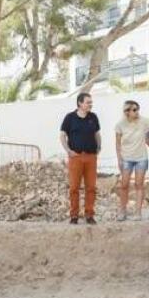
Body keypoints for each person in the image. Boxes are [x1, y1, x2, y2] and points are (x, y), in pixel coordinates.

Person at [59, 92, 101, 225]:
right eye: (88, 102)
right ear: (80, 103)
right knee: (74, 188)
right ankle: (74, 216)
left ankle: (89, 215)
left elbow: (97, 134)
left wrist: (99, 147)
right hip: (75, 157)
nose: (90, 104)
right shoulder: (69, 118)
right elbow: (62, 135)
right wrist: (68, 151)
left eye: (91, 102)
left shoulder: (93, 117)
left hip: (91, 157)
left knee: (91, 187)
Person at [114, 100, 149, 221]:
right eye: (133, 110)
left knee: (139, 185)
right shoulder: (120, 124)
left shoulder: (143, 121)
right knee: (124, 185)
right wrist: (119, 159)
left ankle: (138, 212)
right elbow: (118, 143)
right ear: (127, 112)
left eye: (137, 109)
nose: (136, 112)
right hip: (126, 158)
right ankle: (122, 211)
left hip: (141, 158)